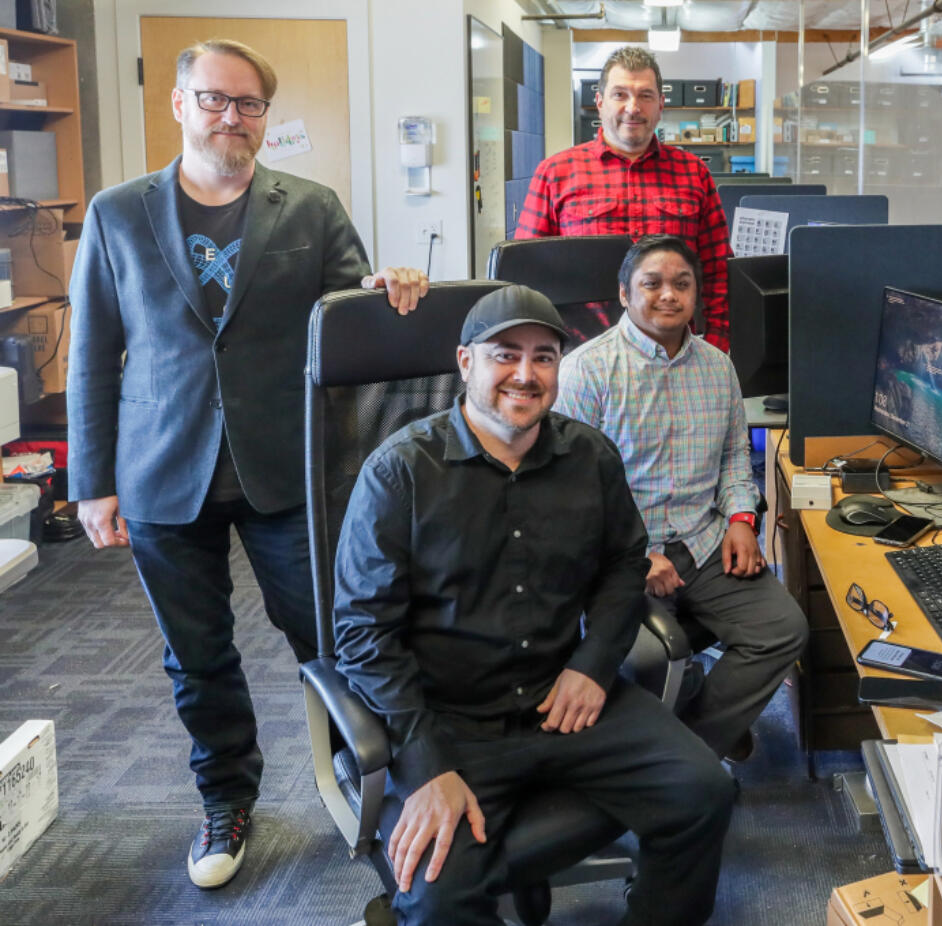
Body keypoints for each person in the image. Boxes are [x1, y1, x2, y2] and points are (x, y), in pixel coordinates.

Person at [66, 38, 427, 890]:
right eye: (216, 99)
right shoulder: (119, 213)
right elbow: (91, 352)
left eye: (250, 104)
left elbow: (348, 320)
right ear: (181, 104)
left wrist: (391, 288)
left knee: (333, 634)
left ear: (266, 114)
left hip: (290, 468)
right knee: (198, 656)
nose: (233, 117)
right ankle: (224, 797)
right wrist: (93, 482)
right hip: (160, 470)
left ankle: (366, 777)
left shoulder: (307, 205)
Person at [332, 285, 735, 926]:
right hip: (450, 719)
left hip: (563, 701)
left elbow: (622, 566)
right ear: (466, 362)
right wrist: (426, 765)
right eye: (505, 355)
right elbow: (362, 633)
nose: (525, 374)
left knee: (704, 791)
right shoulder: (401, 473)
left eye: (544, 357)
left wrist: (594, 663)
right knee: (439, 895)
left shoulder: (590, 457)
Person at [554, 235, 808, 762]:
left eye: (681, 284)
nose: (668, 295)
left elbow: (736, 456)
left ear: (697, 294)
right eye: (652, 284)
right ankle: (695, 748)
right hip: (626, 556)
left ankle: (689, 747)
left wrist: (742, 518)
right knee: (643, 659)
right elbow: (569, 491)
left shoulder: (718, 367)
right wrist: (634, 557)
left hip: (704, 536)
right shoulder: (587, 371)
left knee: (783, 631)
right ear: (624, 294)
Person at [513, 45, 734, 353]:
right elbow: (526, 277)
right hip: (581, 356)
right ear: (600, 103)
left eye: (645, 95)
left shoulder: (693, 173)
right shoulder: (555, 173)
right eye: (620, 94)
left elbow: (718, 270)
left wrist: (718, 346)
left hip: (672, 354)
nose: (633, 107)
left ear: (660, 105)